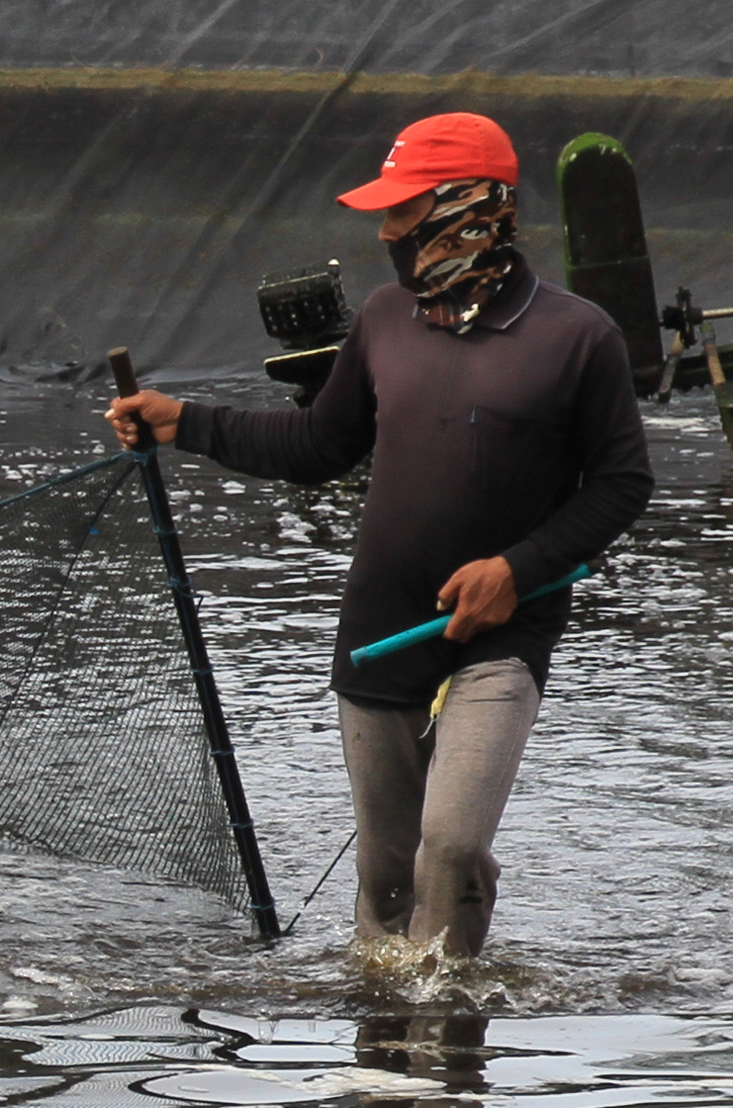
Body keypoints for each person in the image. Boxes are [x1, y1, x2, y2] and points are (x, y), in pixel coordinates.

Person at [106, 113, 650, 965]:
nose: (388, 231)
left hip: (503, 637)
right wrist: (184, 422)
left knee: (454, 845)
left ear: (470, 209)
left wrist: (516, 570)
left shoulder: (579, 338)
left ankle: (445, 1058)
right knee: (387, 875)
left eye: (403, 210)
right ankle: (382, 1057)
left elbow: (622, 486)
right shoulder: (385, 320)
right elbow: (319, 447)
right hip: (380, 632)